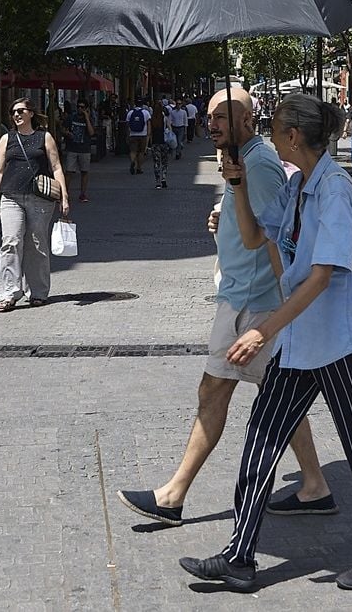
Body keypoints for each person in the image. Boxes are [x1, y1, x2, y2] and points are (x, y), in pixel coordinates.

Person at [182, 93, 352, 593]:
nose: (269, 129)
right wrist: (236, 185)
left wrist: (265, 327)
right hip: (301, 340)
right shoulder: (300, 186)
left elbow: (322, 275)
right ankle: (240, 555)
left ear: (293, 136)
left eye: (276, 125)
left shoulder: (334, 190)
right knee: (262, 432)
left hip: (338, 342)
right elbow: (257, 234)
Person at [118, 87, 335, 529]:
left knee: (218, 391)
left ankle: (173, 495)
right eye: (211, 116)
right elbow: (250, 220)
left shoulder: (258, 164)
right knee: (278, 398)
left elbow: (272, 236)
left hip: (253, 303)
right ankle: (315, 484)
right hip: (245, 297)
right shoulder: (242, 162)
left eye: (221, 116)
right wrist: (226, 213)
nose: (212, 123)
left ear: (245, 120)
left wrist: (282, 306)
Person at [0, 98, 69, 311]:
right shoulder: (7, 139)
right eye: (13, 112)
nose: (16, 115)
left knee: (36, 244)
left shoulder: (44, 137)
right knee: (10, 242)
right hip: (11, 197)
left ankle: (37, 292)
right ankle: (8, 293)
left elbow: (57, 167)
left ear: (31, 113)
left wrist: (64, 196)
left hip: (40, 198)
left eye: (21, 111)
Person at [62, 98, 95, 203]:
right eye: (78, 107)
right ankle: (65, 193)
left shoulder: (89, 119)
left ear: (86, 109)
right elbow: (63, 129)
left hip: (84, 149)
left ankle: (83, 193)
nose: (80, 109)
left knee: (84, 171)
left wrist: (86, 118)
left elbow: (91, 133)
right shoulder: (71, 118)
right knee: (69, 172)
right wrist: (67, 133)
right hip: (72, 148)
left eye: (82, 107)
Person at [125, 97, 151, 175]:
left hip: (133, 134)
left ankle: (133, 162)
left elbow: (127, 124)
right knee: (141, 152)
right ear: (142, 104)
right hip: (143, 134)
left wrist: (127, 134)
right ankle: (139, 167)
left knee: (133, 151)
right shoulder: (146, 112)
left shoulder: (130, 112)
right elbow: (148, 124)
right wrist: (148, 134)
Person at [150, 98, 171, 190]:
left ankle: (157, 182)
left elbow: (150, 132)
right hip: (164, 142)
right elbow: (169, 129)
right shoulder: (164, 118)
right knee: (164, 162)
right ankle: (164, 178)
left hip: (155, 143)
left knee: (156, 162)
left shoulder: (152, 119)